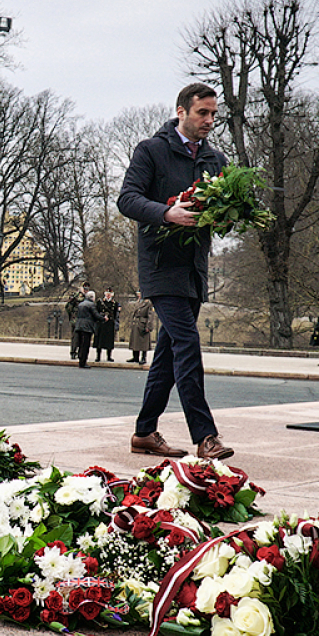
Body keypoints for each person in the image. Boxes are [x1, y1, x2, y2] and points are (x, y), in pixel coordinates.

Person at [116, 82, 234, 461]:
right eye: (203, 113)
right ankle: (206, 435)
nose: (210, 120)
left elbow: (224, 211)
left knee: (167, 354)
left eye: (214, 114)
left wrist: (232, 214)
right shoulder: (151, 150)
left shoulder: (216, 161)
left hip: (195, 269)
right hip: (160, 266)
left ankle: (144, 432)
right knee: (187, 343)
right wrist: (167, 213)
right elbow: (127, 198)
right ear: (181, 111)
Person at [73, 288, 104, 369]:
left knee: (80, 344)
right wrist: (103, 318)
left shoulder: (81, 304)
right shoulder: (91, 305)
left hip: (79, 326)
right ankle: (83, 362)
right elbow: (96, 315)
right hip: (87, 327)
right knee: (85, 345)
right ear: (92, 297)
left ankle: (80, 360)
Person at [126, 291, 153, 364]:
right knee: (135, 341)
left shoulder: (148, 303)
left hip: (143, 324)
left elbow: (150, 315)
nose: (139, 295)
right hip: (136, 323)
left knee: (144, 343)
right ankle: (135, 357)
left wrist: (148, 326)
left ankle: (143, 358)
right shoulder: (137, 302)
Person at [94, 289, 120, 362]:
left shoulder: (115, 303)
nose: (108, 295)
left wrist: (116, 324)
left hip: (110, 324)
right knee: (100, 341)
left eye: (110, 293)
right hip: (101, 323)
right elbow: (96, 312)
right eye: (107, 293)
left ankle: (109, 356)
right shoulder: (100, 302)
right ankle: (98, 356)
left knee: (109, 341)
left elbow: (116, 315)